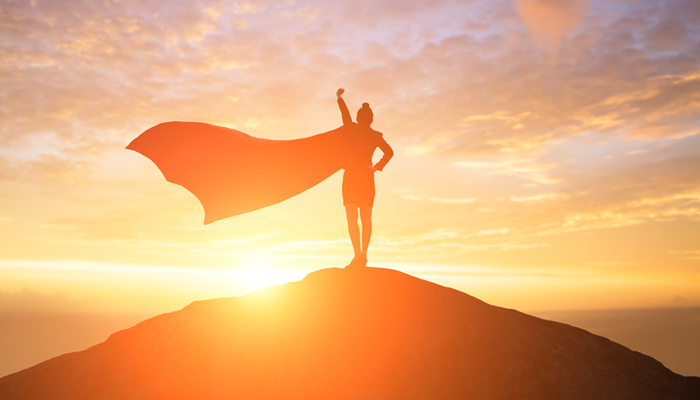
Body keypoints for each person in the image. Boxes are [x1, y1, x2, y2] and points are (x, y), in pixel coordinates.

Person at [336, 88, 393, 268]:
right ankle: (364, 255)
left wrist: (339, 98)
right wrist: (375, 167)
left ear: (359, 118)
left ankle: (357, 255)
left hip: (351, 176)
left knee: (352, 218)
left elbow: (345, 115)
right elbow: (389, 152)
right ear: (371, 119)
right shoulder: (375, 136)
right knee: (366, 218)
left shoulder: (352, 128)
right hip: (367, 177)